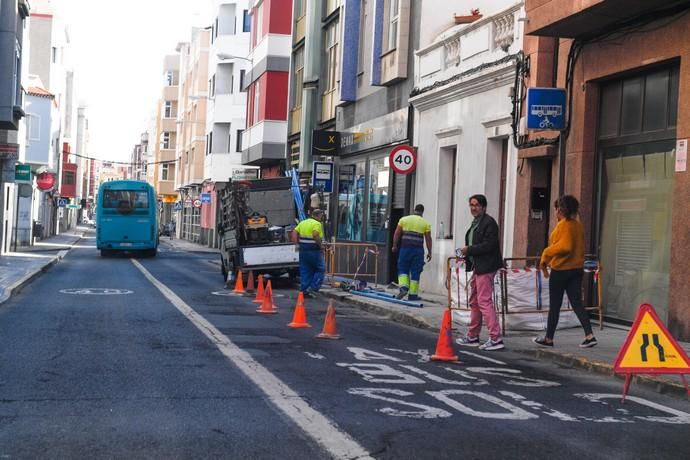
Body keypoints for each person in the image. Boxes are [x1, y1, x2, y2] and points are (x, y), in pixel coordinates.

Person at [534, 195, 597, 348]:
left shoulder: (564, 225)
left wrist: (547, 253)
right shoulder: (578, 225)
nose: (555, 211)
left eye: (556, 208)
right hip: (576, 269)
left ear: (560, 209)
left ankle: (549, 339)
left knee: (555, 305)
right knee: (577, 303)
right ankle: (589, 335)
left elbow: (565, 247)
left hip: (561, 270)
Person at [456, 194, 505, 351]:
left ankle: (495, 338)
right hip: (478, 266)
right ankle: (473, 335)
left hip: (486, 267)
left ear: (483, 207)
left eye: (476, 205)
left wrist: (468, 250)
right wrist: (467, 255)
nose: (473, 208)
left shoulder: (489, 223)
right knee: (475, 301)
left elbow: (489, 245)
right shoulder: (476, 223)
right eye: (471, 205)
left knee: (484, 301)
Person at [392, 204, 432, 301]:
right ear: (422, 212)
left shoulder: (404, 220)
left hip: (405, 249)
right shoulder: (425, 223)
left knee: (402, 268)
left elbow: (397, 233)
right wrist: (430, 252)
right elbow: (428, 239)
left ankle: (403, 288)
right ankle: (413, 295)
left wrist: (394, 245)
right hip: (418, 251)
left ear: (414, 210)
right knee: (415, 272)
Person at [292, 209, 326, 298]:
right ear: (319, 215)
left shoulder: (303, 222)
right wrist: (321, 246)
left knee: (306, 270)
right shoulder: (317, 224)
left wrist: (296, 244)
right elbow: (315, 234)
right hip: (313, 250)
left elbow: (294, 232)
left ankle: (304, 290)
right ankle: (313, 288)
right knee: (320, 268)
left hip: (303, 250)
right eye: (321, 216)